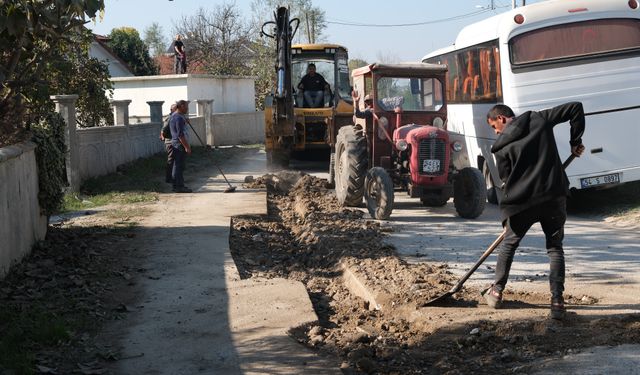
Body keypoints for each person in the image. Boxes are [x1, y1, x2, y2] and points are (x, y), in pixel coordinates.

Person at [483, 102, 585, 320]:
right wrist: (575, 142)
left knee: (509, 244)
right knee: (555, 248)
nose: (495, 132)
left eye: (494, 126)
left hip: (522, 203)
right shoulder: (538, 119)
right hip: (553, 197)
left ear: (501, 118)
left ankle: (496, 292)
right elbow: (576, 107)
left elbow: (506, 180)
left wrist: (509, 216)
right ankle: (557, 301)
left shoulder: (500, 147)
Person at [169, 100, 192, 193]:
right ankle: (179, 187)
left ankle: (177, 186)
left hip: (178, 144)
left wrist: (185, 121)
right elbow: (180, 135)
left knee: (179, 166)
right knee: (179, 166)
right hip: (179, 145)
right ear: (181, 106)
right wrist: (187, 147)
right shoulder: (177, 117)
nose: (187, 109)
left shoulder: (179, 116)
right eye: (186, 107)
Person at [160, 103, 178, 183]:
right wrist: (162, 136)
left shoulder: (176, 117)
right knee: (171, 160)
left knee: (175, 160)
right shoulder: (170, 118)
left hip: (174, 142)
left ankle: (173, 177)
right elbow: (163, 129)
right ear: (171, 110)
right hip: (170, 142)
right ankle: (168, 178)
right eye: (176, 109)